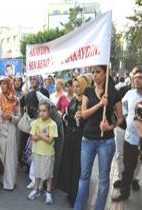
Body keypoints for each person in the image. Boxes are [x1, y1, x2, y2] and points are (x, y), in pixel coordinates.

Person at [74, 65, 123, 210]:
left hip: (106, 141)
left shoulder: (114, 93)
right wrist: (100, 104)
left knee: (103, 180)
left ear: (105, 73)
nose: (94, 75)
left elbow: (120, 118)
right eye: (93, 72)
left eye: (98, 72)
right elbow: (84, 114)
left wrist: (110, 127)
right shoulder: (88, 91)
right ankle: (79, 207)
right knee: (84, 177)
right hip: (88, 139)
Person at [57, 75, 91, 207]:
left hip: (79, 138)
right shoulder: (75, 100)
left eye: (78, 86)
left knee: (77, 166)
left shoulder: (85, 101)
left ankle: (76, 194)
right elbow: (70, 116)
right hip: (70, 137)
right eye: (74, 86)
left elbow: (80, 122)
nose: (76, 89)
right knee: (69, 164)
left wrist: (66, 116)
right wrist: (66, 116)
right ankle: (70, 191)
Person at [112, 66, 142, 201]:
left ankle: (134, 180)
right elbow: (121, 104)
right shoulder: (130, 94)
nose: (137, 80)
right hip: (130, 138)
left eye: (140, 78)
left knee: (135, 165)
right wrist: (124, 115)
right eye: (135, 78)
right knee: (127, 167)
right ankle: (124, 193)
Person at [0, 77, 21, 191]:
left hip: (10, 132)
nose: (2, 86)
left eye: (5, 84)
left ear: (9, 85)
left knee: (10, 158)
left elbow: (19, 118)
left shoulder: (15, 100)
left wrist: (11, 117)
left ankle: (9, 183)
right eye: (1, 84)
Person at [27, 102, 58, 204]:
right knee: (37, 173)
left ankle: (48, 193)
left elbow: (50, 141)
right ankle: (36, 190)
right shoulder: (36, 122)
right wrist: (44, 135)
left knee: (48, 174)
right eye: (40, 110)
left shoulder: (53, 124)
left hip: (48, 153)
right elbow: (33, 137)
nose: (41, 113)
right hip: (37, 152)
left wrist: (39, 135)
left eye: (44, 111)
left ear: (49, 112)